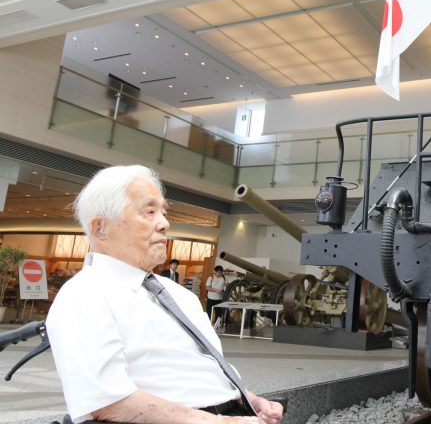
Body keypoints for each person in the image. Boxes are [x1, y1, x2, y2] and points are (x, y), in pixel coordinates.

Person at [46, 165, 283, 424]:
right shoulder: (84, 295)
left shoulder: (179, 295)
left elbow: (204, 368)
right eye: (149, 212)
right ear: (100, 228)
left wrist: (251, 400)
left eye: (163, 212)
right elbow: (107, 403)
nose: (164, 223)